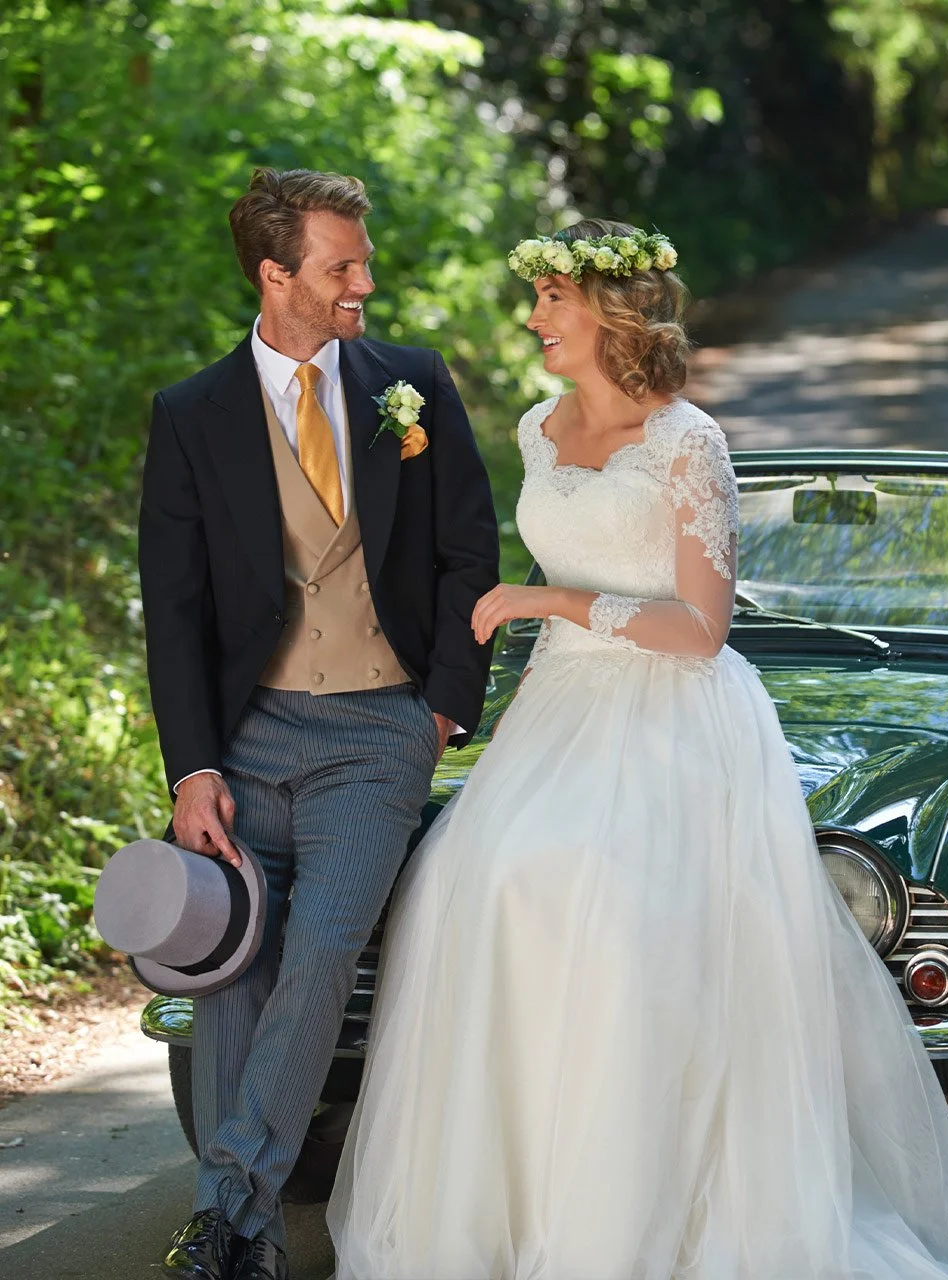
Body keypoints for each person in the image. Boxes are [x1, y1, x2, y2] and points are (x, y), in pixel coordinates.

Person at [326, 219, 948, 1280]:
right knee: (476, 882)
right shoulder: (536, 426)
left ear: (612, 314)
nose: (532, 321)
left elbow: (701, 627)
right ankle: (515, 1206)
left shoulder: (687, 439)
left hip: (672, 712)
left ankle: (645, 1213)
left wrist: (542, 597)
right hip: (562, 706)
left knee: (613, 921)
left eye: (551, 302)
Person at [139, 167, 500, 1280]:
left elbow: (467, 549)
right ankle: (237, 1233)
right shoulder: (193, 413)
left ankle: (227, 1202)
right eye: (342, 264)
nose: (366, 282)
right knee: (231, 972)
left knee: (321, 952)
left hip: (375, 734)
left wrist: (440, 703)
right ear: (275, 274)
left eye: (363, 259)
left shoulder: (413, 385)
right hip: (245, 740)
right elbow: (178, 606)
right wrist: (191, 766)